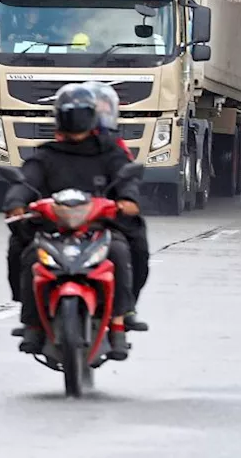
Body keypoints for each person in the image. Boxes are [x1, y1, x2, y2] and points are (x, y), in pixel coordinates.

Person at [4, 84, 141, 359]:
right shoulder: (46, 155)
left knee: (122, 249)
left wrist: (126, 201)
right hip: (54, 227)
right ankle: (31, 321)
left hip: (99, 227)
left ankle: (118, 323)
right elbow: (26, 181)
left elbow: (124, 179)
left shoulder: (109, 152)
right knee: (28, 252)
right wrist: (16, 204)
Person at [84, 80, 150, 333]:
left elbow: (127, 175)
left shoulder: (114, 148)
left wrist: (126, 200)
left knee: (131, 250)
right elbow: (34, 176)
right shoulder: (55, 147)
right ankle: (33, 316)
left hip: (103, 215)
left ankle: (125, 307)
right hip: (62, 214)